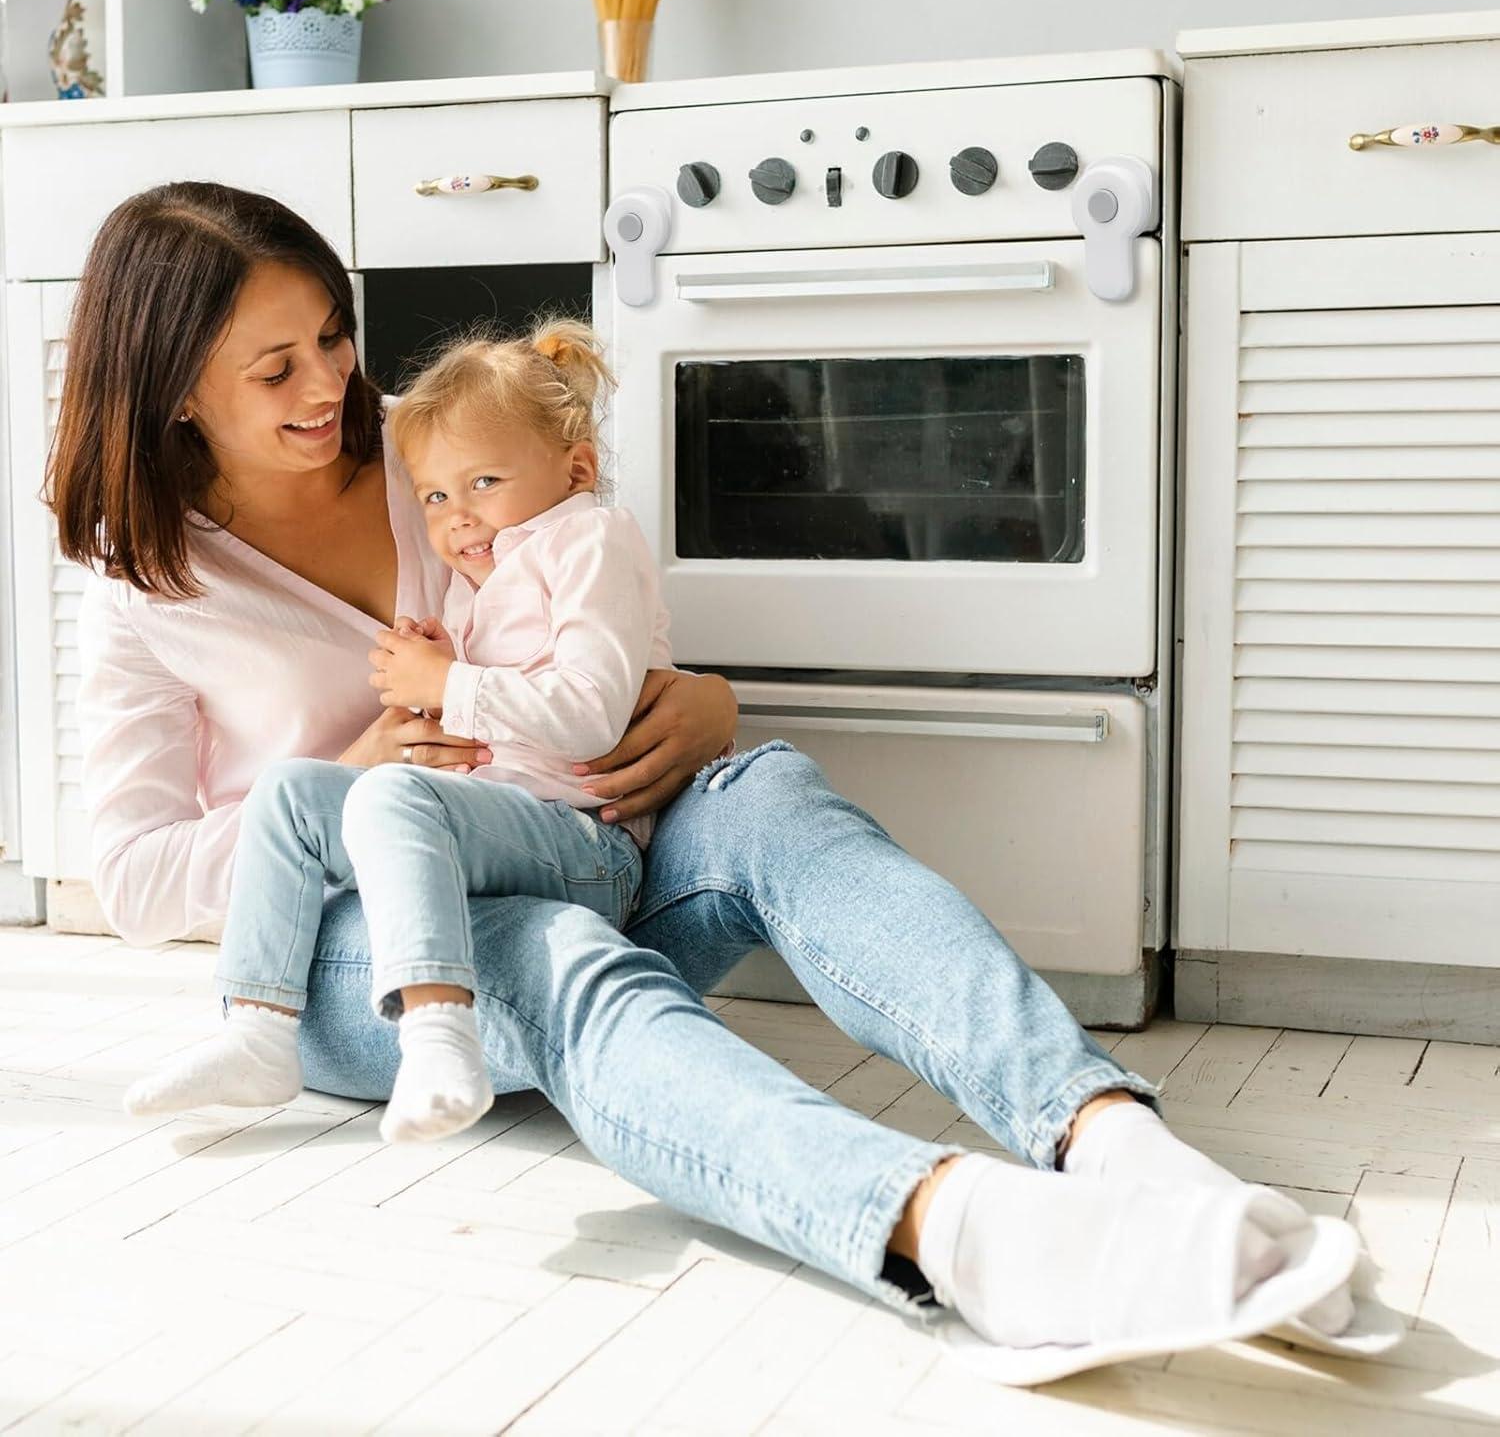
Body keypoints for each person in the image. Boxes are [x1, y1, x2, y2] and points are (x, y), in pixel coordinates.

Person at [53, 180, 1380, 1380]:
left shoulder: (442, 445)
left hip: (579, 828)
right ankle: (962, 1236)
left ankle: (1110, 1142)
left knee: (769, 790)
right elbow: (136, 879)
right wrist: (353, 767)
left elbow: (599, 610)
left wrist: (702, 703)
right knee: (555, 948)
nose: (331, 384)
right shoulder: (145, 582)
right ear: (173, 391)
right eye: (276, 368)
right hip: (378, 963)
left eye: (335, 339)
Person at [122, 319, 669, 1145]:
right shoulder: (482, 574)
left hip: (583, 840)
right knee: (293, 790)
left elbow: (590, 714)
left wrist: (451, 683)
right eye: (438, 497)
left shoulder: (587, 540)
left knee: (390, 798)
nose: (457, 518)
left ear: (577, 468)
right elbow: (477, 707)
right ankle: (260, 1033)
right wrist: (442, 669)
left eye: (485, 481)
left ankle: (441, 1035)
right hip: (497, 829)